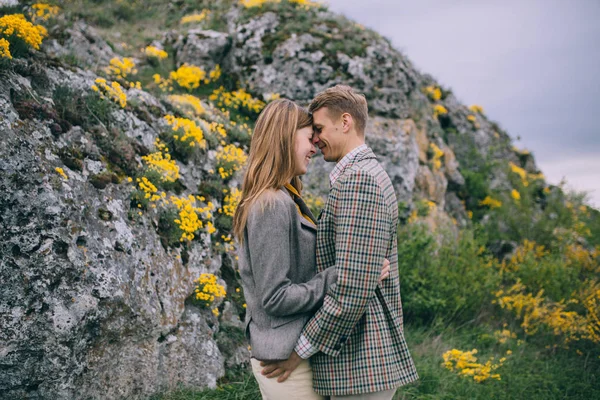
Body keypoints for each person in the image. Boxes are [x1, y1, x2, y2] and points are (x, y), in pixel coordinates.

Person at [260, 86, 419, 399]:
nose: (316, 139)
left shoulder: (359, 180)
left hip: (361, 359)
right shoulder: (362, 175)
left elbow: (351, 288)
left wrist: (300, 350)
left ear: (345, 122)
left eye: (319, 129)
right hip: (357, 357)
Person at [233, 99, 390, 400]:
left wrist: (364, 268)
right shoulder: (272, 204)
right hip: (282, 360)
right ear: (284, 138)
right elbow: (276, 297)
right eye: (309, 137)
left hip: (294, 354)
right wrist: (339, 275)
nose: (315, 147)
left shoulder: (286, 198)